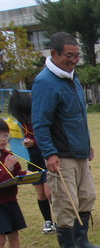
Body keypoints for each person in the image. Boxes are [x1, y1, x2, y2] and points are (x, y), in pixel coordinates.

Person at [31, 31, 100, 248]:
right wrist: (49, 154)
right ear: (53, 53)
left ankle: (82, 240)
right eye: (68, 56)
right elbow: (40, 123)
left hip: (80, 153)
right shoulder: (45, 82)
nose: (74, 60)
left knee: (87, 196)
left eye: (77, 56)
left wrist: (88, 144)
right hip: (62, 156)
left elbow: (78, 117)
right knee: (66, 202)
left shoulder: (73, 79)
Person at [8, 90, 55, 235]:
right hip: (33, 160)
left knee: (49, 193)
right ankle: (48, 221)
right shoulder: (20, 124)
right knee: (40, 193)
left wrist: (33, 142)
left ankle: (61, 219)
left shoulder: (39, 118)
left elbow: (49, 137)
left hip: (45, 157)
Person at [0, 119, 31, 248]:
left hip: (11, 201)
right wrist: (9, 168)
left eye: (6, 135)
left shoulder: (8, 155)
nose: (3, 138)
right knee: (0, 239)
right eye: (0, 135)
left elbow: (17, 173)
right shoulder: (5, 160)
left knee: (14, 234)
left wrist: (28, 173)